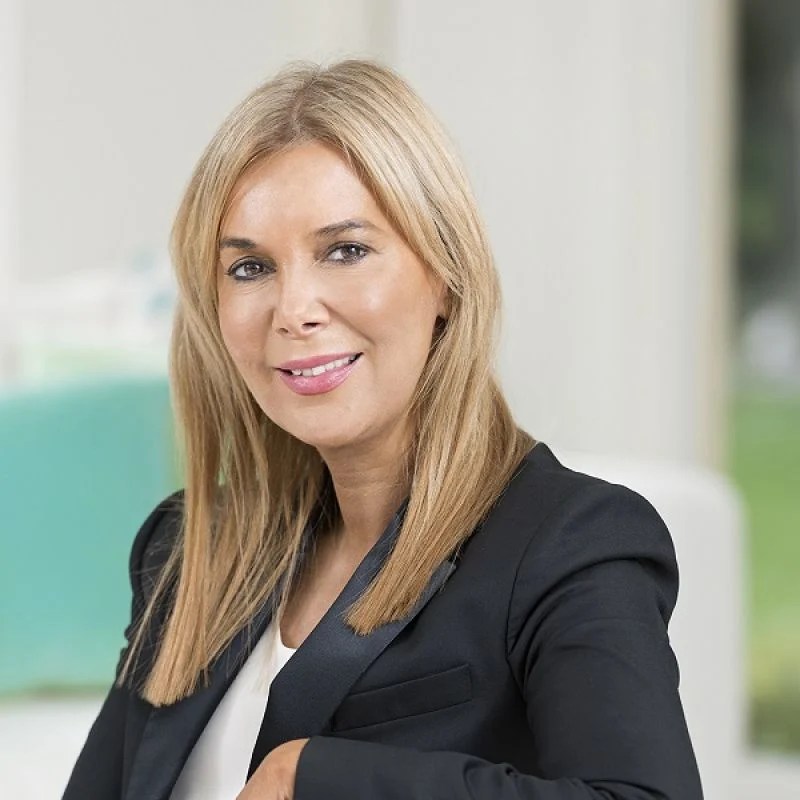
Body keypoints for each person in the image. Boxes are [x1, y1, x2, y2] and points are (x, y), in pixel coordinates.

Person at [63, 59, 703, 800]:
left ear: (445, 276)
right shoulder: (190, 550)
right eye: (251, 268)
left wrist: (316, 776)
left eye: (346, 251)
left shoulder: (571, 544)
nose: (293, 310)